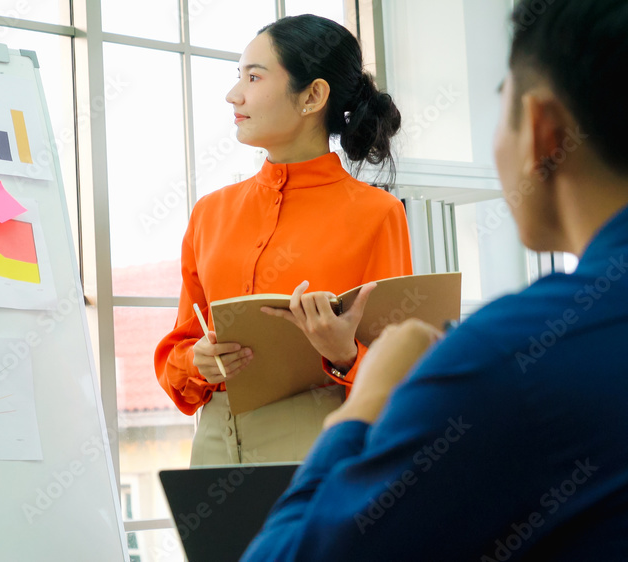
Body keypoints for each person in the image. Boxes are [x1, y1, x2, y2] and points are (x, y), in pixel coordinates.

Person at [241, 0, 628, 559]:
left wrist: (362, 404)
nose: (238, 96)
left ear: (542, 129)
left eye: (500, 109)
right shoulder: (212, 213)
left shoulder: (503, 356)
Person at [153, 14, 413, 466]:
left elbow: (401, 375)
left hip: (319, 440)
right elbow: (180, 348)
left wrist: (345, 353)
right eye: (239, 77)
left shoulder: (377, 214)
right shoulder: (209, 213)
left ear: (312, 95)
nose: (234, 95)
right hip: (214, 440)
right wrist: (198, 361)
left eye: (254, 77)